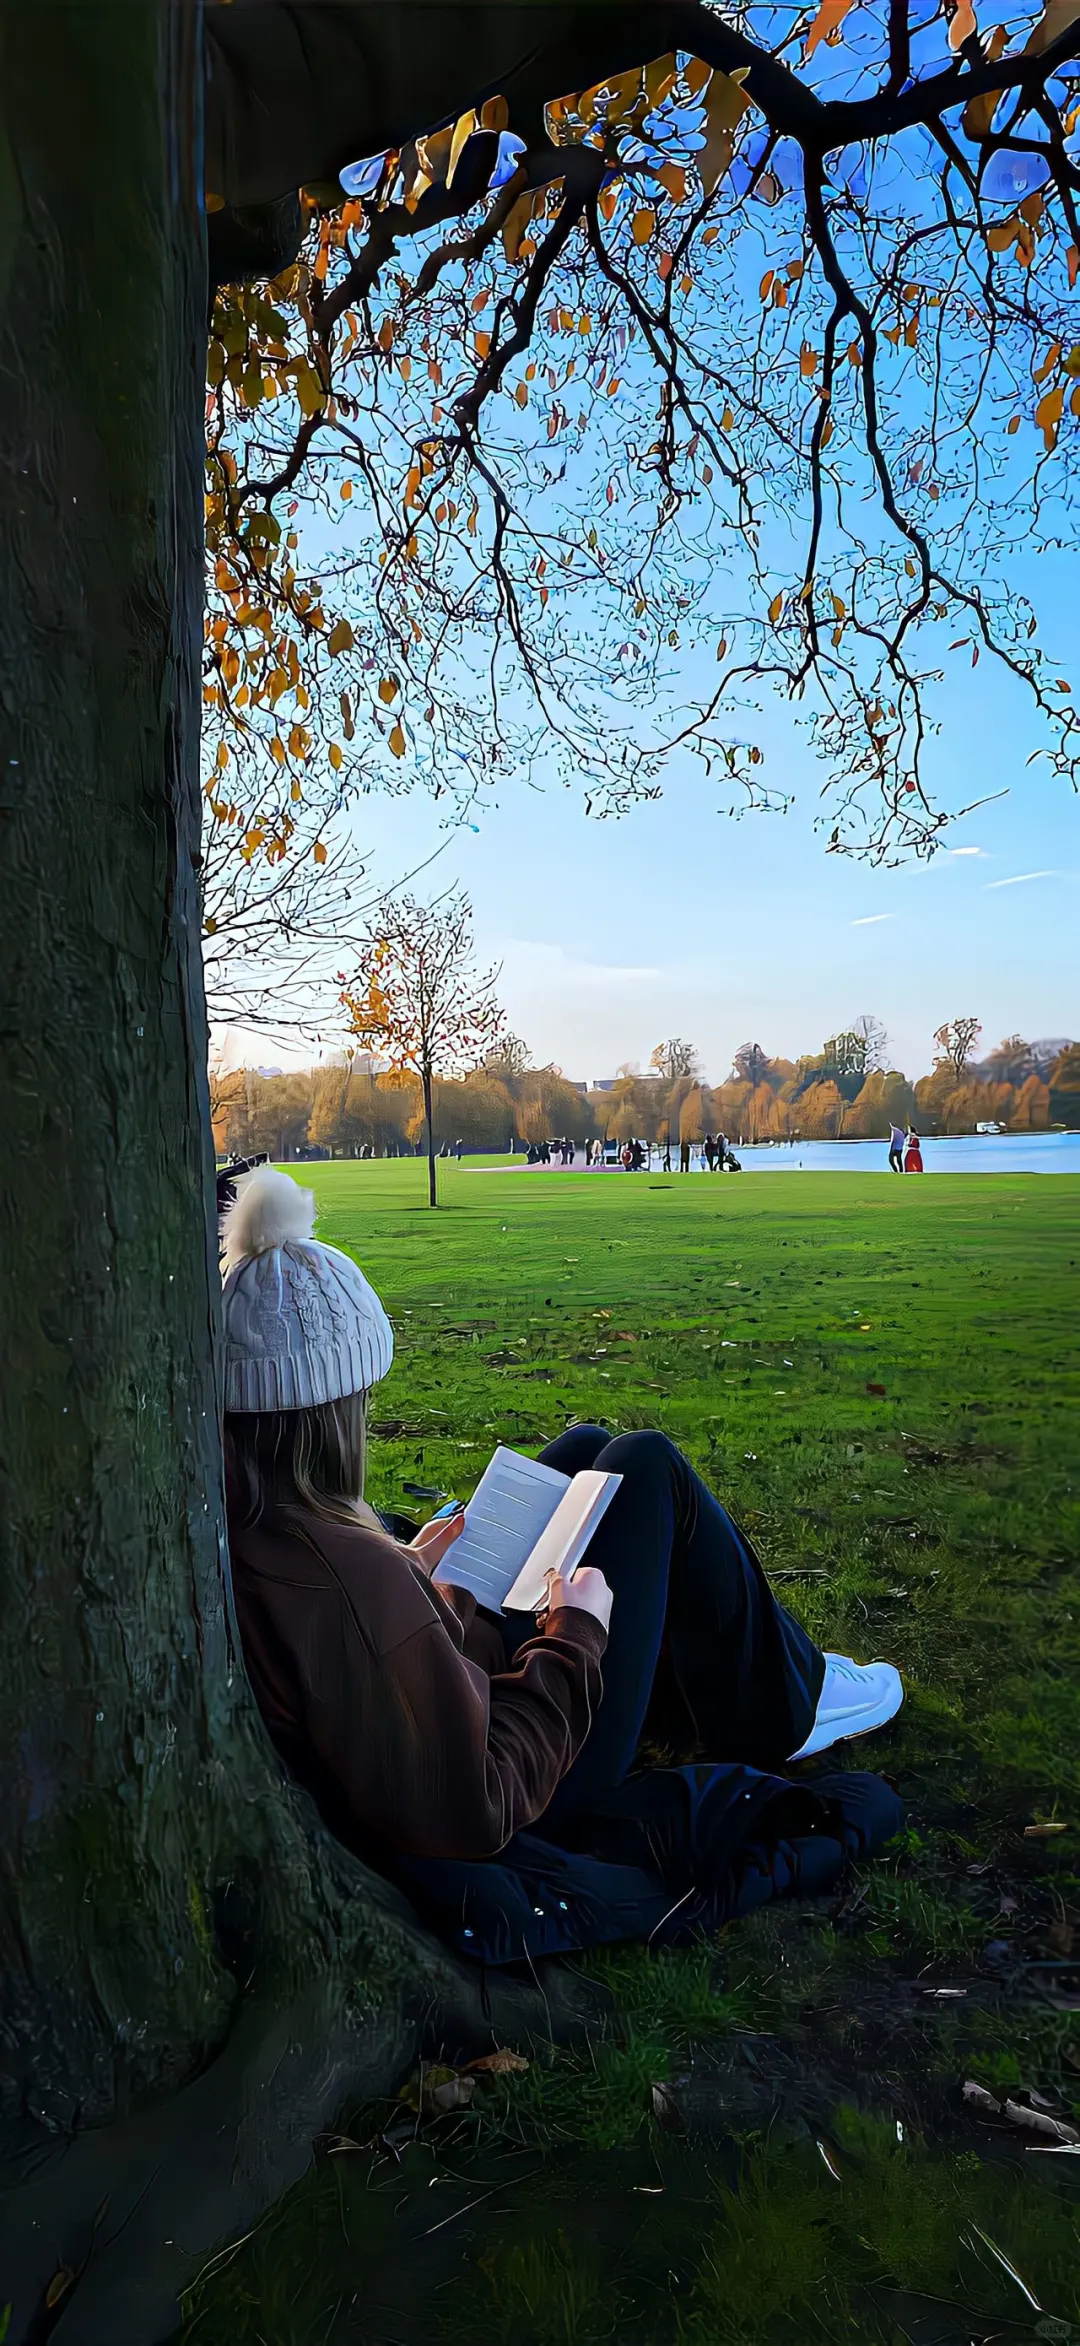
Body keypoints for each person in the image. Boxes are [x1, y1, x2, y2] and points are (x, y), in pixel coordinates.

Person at [221, 1167, 905, 1965]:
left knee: (583, 1454)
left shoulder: (268, 1520)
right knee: (645, 1470)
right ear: (333, 1412)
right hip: (538, 1786)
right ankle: (788, 1705)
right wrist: (573, 1636)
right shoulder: (346, 1573)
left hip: (453, 1689)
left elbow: (366, 1658)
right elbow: (477, 1802)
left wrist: (423, 1578)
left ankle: (760, 1672)